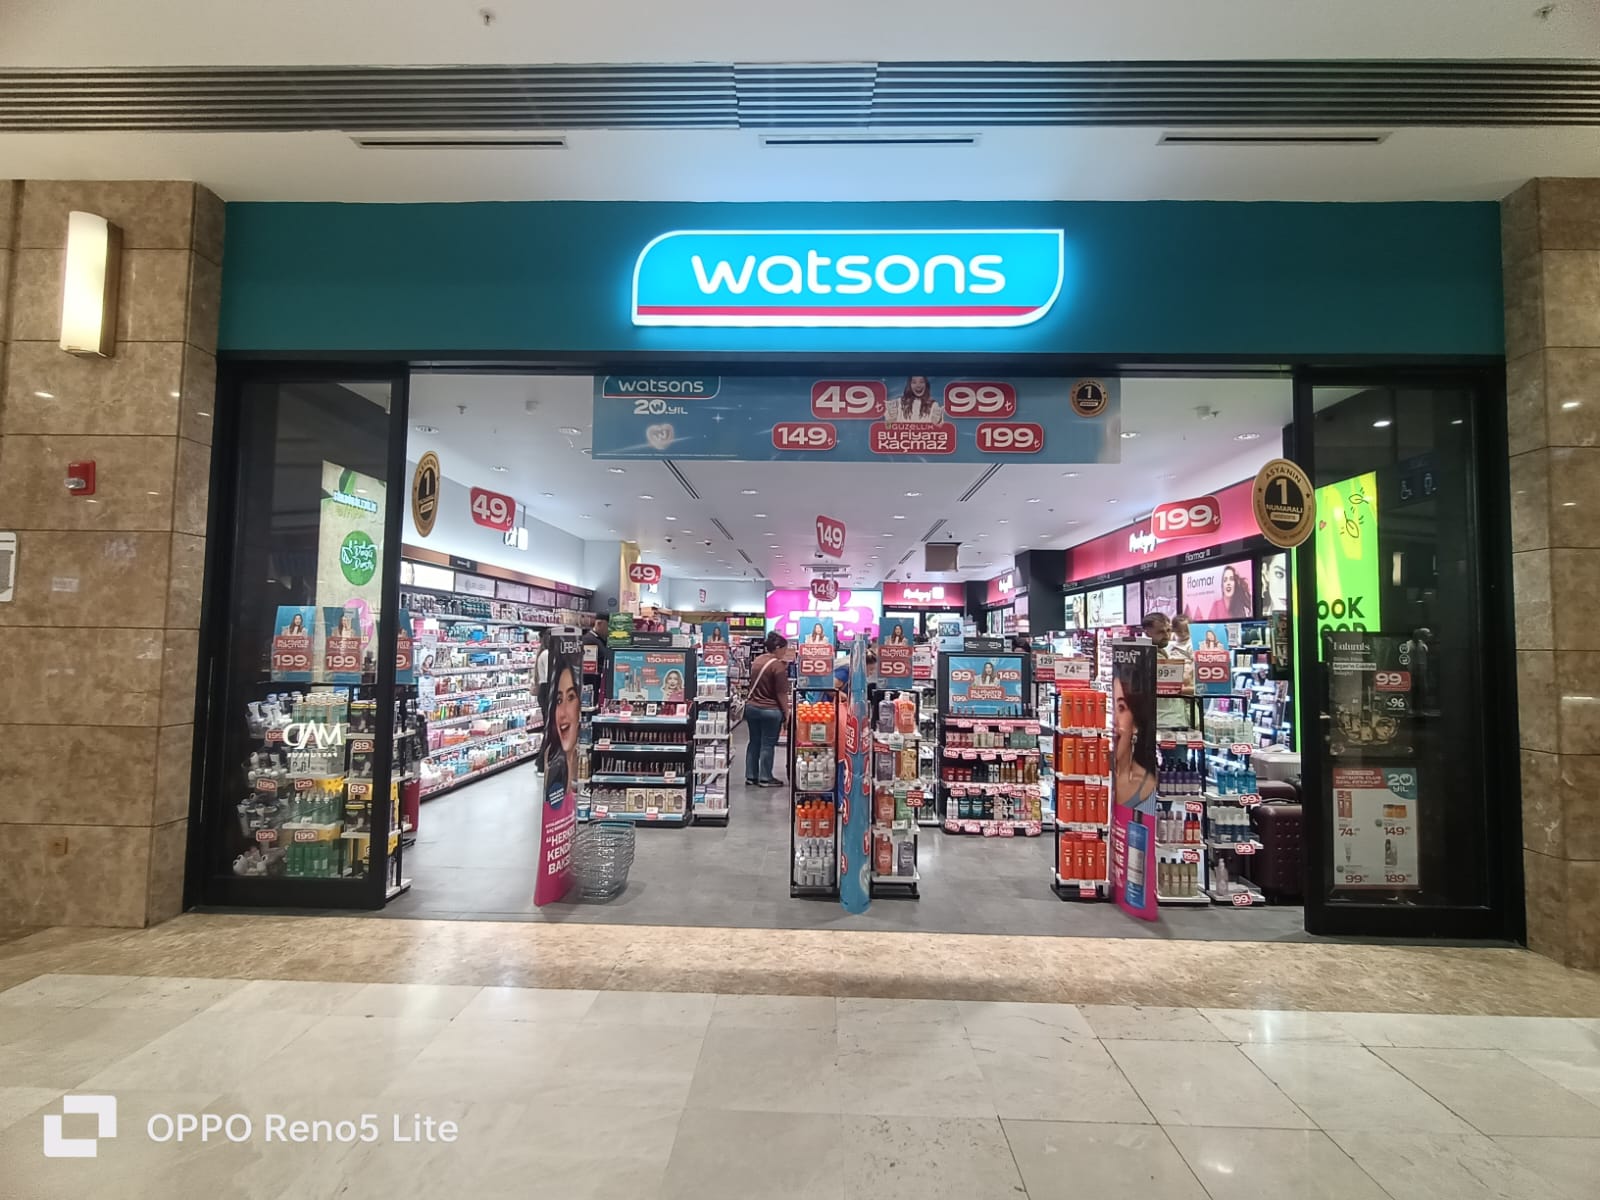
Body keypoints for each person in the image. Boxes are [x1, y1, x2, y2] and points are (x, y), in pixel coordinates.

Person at [744, 632, 790, 787]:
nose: (785, 652)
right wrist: (787, 712)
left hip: (752, 708)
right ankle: (765, 777)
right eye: (784, 649)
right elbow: (781, 693)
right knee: (767, 744)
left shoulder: (757, 660)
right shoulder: (777, 666)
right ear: (777, 648)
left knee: (754, 742)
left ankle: (751, 776)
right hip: (770, 710)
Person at [1112, 669, 1159, 808]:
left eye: (1121, 708)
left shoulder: (1148, 786)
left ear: (1135, 725)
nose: (1113, 720)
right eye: (1108, 707)